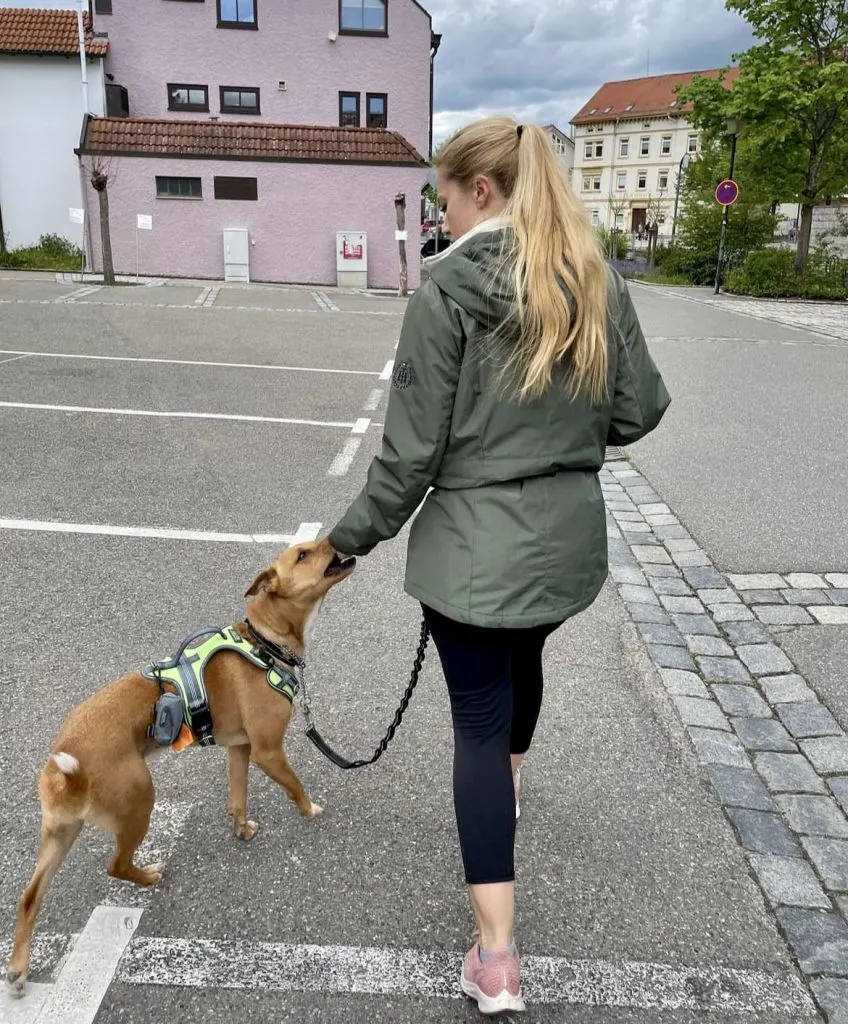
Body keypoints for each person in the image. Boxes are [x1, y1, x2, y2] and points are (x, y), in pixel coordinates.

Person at [327, 116, 670, 1015]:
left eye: (444, 196)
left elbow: (409, 459)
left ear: (482, 189)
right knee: (526, 660)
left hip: (477, 551)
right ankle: (508, 793)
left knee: (476, 723)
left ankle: (497, 957)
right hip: (566, 545)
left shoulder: (448, 290)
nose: (441, 214)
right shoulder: (593, 279)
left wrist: (343, 542)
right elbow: (637, 411)